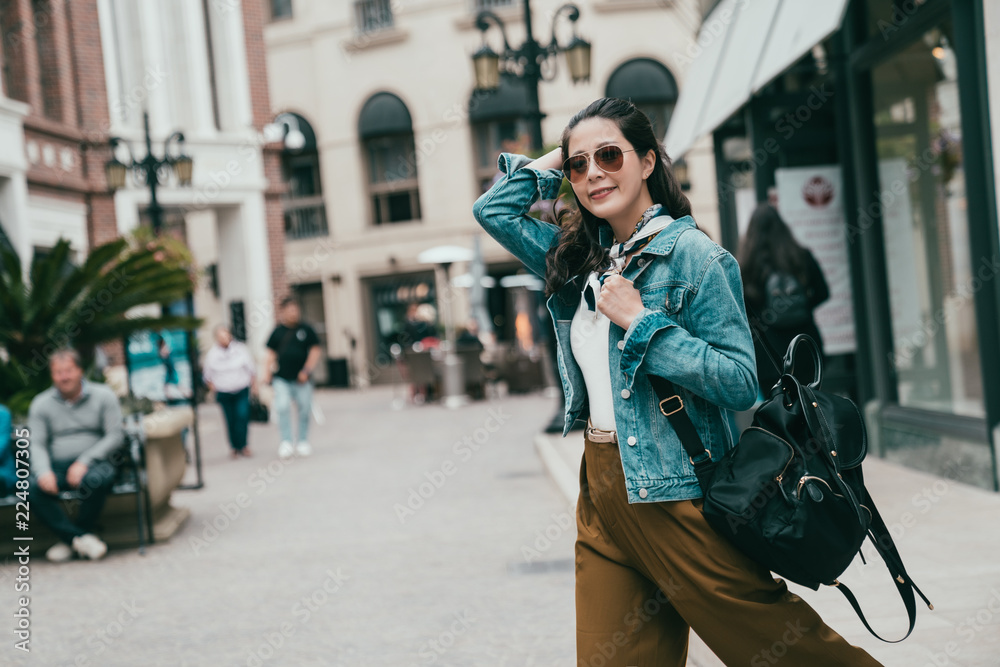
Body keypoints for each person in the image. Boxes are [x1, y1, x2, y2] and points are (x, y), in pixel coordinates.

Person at [473, 98, 880, 666]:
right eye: (578, 165)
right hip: (603, 489)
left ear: (647, 162)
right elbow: (494, 211)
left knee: (785, 651)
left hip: (678, 491)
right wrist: (550, 162)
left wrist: (644, 325)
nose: (594, 174)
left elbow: (741, 383)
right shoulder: (577, 257)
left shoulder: (695, 257)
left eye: (610, 156)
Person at [28, 349, 122, 562]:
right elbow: (37, 444)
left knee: (95, 480)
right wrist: (43, 472)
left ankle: (70, 540)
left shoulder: (103, 396)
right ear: (52, 375)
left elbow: (115, 436)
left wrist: (84, 462)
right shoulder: (41, 404)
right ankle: (79, 539)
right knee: (31, 487)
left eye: (69, 370)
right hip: (58, 466)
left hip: (96, 463)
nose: (64, 377)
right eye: (58, 372)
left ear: (80, 371)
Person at [738, 203, 830, 395]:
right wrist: (802, 308)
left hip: (768, 353)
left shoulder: (746, 265)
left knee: (778, 415)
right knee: (810, 409)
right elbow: (823, 293)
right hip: (804, 346)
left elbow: (742, 308)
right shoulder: (801, 256)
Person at [261, 298, 322, 460]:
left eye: (295, 309)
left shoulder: (307, 329)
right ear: (283, 311)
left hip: (302, 379)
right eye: (289, 310)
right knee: (282, 407)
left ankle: (302, 441)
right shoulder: (277, 331)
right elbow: (270, 354)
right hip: (282, 378)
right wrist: (266, 374)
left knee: (304, 408)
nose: (293, 313)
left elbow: (315, 351)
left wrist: (306, 370)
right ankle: (286, 442)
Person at [203, 324, 257, 459]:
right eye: (221, 336)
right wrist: (213, 389)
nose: (224, 339)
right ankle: (234, 447)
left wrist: (254, 386)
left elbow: (251, 369)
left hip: (241, 389)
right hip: (224, 392)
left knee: (242, 416)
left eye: (226, 335)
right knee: (230, 419)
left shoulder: (241, 350)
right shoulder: (212, 355)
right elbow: (207, 376)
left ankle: (243, 445)